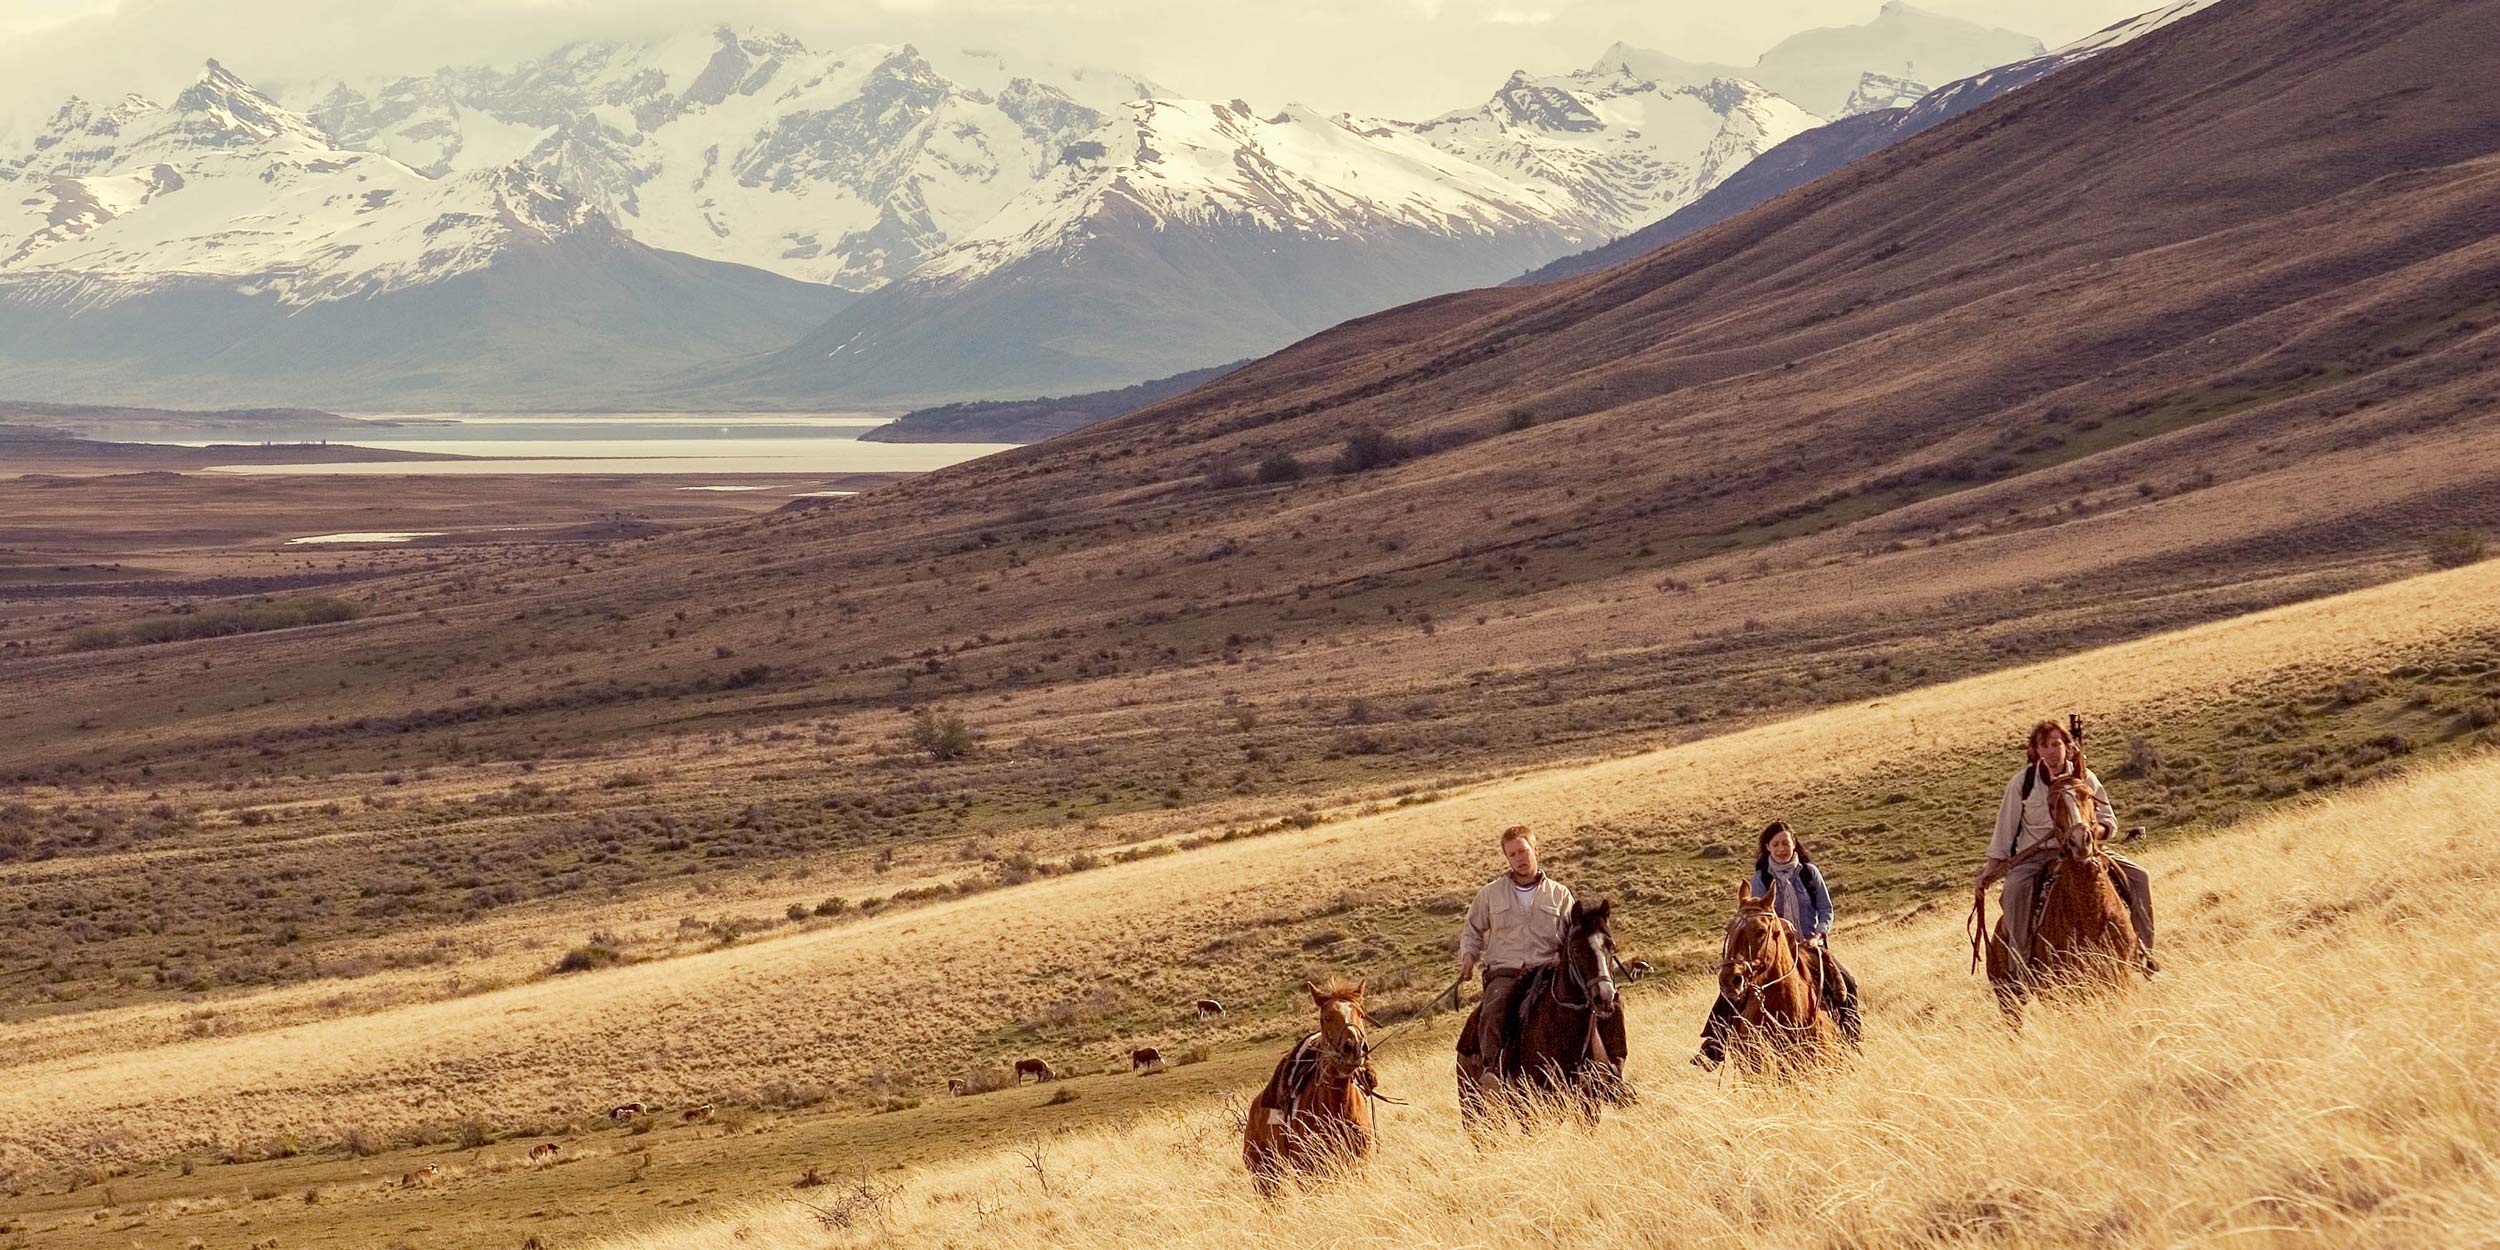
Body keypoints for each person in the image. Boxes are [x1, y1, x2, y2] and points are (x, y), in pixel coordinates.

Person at [1974, 719, 2157, 976]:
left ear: (2067, 746)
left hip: (2085, 849)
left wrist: (2095, 832)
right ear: (2035, 751)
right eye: (2044, 746)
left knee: (2139, 877)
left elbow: (2108, 820)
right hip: (2037, 856)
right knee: (2015, 892)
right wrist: (1989, 871)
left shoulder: (2085, 777)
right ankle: (2021, 963)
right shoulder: (2022, 784)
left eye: (2056, 744)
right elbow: (2003, 834)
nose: (2051, 751)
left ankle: (2144, 951)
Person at [1695, 821, 1860, 1068]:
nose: (1781, 848)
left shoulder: (1808, 872)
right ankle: (1715, 1043)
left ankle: (1851, 1037)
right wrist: (1782, 928)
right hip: (1774, 948)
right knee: (1731, 990)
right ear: (1767, 847)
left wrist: (1819, 934)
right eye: (1776, 844)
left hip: (1810, 945)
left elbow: (1826, 909)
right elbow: (1760, 911)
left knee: (1846, 982)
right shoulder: (1761, 877)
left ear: (1794, 844)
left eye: (1786, 843)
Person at [1456, 825, 1575, 1080]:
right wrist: (1468, 956)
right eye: (1512, 855)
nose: (1519, 859)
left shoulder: (1560, 894)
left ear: (1536, 850)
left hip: (1549, 970)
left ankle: (1610, 1071)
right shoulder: (1490, 894)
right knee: (1494, 1009)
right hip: (1506, 973)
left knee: (1597, 1003)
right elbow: (1472, 929)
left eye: (1523, 851)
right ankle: (1493, 1071)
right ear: (1507, 858)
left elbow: (1571, 935)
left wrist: (1560, 957)